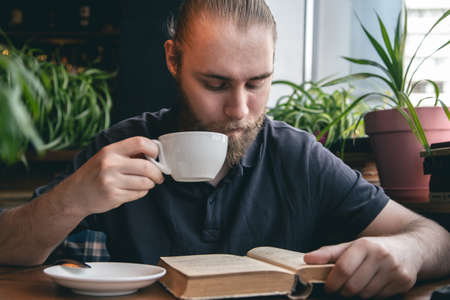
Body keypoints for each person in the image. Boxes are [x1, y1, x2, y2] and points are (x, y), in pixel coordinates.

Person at [0, 0, 449, 298]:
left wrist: (409, 251)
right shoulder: (121, 148)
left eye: (257, 83)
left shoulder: (297, 156)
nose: (239, 109)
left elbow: (436, 239)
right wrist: (73, 198)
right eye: (215, 83)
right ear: (173, 60)